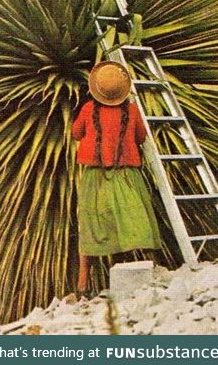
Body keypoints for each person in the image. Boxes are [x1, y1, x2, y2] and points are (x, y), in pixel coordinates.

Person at [72, 61, 161, 295]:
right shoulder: (131, 110)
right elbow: (141, 137)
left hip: (96, 174)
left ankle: (82, 284)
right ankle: (148, 273)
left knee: (93, 224)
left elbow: (76, 133)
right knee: (133, 219)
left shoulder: (88, 108)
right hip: (126, 173)